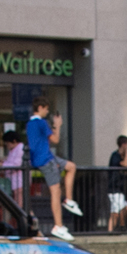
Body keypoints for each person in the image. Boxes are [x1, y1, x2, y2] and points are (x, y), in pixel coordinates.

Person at [25, 95, 79, 238]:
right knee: (55, 192)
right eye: (46, 110)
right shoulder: (42, 123)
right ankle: (58, 225)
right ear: (41, 108)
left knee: (71, 167)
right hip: (46, 160)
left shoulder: (29, 124)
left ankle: (69, 199)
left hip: (45, 157)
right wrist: (57, 125)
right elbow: (55, 139)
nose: (47, 113)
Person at [105, 135, 127, 231]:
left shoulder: (123, 156)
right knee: (115, 213)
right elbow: (124, 165)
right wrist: (126, 153)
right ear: (123, 145)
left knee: (124, 207)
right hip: (113, 188)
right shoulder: (115, 156)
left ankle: (121, 227)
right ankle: (113, 230)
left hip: (119, 189)